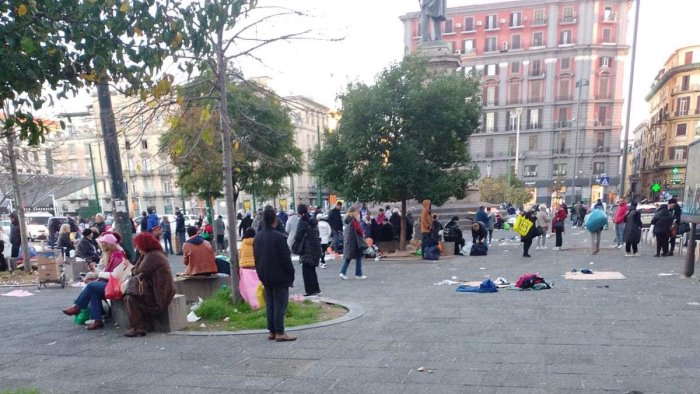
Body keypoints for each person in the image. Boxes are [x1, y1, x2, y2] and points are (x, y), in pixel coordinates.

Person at [62, 233, 130, 330]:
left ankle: (77, 307)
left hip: (116, 285)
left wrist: (98, 274)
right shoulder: (114, 255)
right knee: (94, 291)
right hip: (113, 283)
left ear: (108, 245)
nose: (101, 246)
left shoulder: (118, 256)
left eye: (103, 244)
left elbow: (115, 275)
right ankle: (96, 320)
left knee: (91, 286)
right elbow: (109, 273)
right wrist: (96, 272)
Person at [253, 207, 296, 342]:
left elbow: (256, 257)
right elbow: (285, 258)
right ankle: (280, 332)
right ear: (275, 221)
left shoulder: (257, 237)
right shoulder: (279, 237)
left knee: (270, 303)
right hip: (279, 275)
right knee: (280, 304)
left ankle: (272, 330)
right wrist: (291, 273)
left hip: (264, 274)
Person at [124, 232, 176, 337]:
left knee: (131, 297)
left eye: (138, 245)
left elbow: (137, 271)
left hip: (159, 294)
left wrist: (139, 257)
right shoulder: (154, 254)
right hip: (157, 290)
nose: (137, 247)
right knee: (133, 294)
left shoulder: (152, 257)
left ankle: (139, 327)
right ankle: (144, 324)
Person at [293, 204, 322, 297]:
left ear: (299, 212)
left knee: (306, 270)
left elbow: (298, 237)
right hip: (315, 248)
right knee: (312, 269)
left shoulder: (302, 222)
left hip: (306, 249)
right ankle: (316, 289)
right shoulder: (312, 221)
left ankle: (310, 291)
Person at [340, 207, 366, 280]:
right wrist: (362, 235)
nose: (357, 213)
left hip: (348, 241)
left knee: (348, 257)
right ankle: (358, 274)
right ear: (353, 212)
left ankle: (342, 272)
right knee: (358, 257)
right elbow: (358, 229)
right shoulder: (353, 220)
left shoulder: (347, 220)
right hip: (355, 241)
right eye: (356, 212)